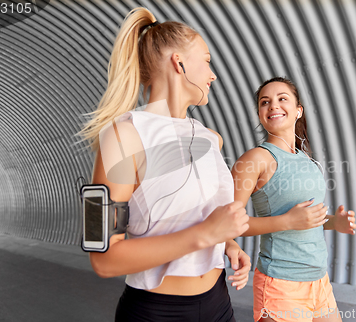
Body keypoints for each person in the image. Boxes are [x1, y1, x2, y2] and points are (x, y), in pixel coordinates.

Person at [77, 7, 251, 322]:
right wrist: (206, 235)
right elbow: (103, 258)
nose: (213, 75)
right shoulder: (120, 136)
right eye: (207, 60)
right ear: (179, 62)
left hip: (219, 304)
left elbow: (202, 217)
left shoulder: (211, 139)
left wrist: (228, 243)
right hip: (156, 313)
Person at [231, 77, 356, 322]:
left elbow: (306, 219)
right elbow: (228, 224)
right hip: (281, 284)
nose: (273, 106)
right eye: (265, 102)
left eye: (282, 99)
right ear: (259, 113)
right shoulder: (256, 159)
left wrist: (333, 222)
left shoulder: (306, 159)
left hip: (319, 280)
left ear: (298, 111)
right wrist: (287, 221)